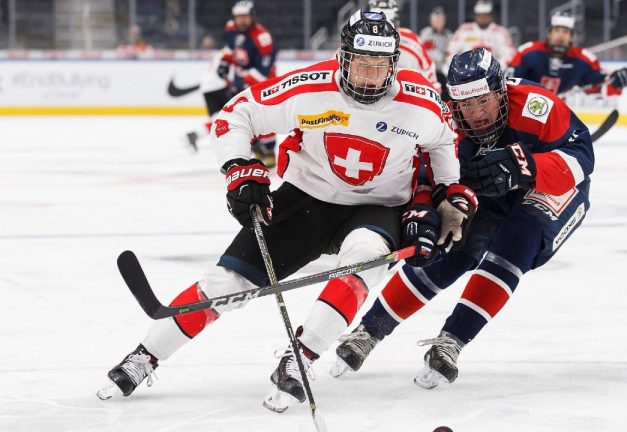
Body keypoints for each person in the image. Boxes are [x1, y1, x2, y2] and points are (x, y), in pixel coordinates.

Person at [97, 10, 477, 412]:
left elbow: (443, 144)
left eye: (380, 66)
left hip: (378, 206)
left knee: (364, 261)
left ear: (394, 64)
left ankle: (301, 358)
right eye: (361, 63)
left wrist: (445, 194)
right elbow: (233, 115)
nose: (369, 75)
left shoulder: (421, 101)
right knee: (228, 283)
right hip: (307, 198)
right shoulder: (309, 87)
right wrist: (238, 170)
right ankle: (144, 356)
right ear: (342, 58)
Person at [331, 48, 594, 389]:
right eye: (466, 105)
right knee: (452, 244)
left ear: (501, 91)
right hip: (489, 190)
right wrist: (430, 209)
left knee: (518, 240)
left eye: (484, 101)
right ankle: (370, 330)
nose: (477, 113)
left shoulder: (535, 106)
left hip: (552, 187)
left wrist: (525, 165)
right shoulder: (444, 122)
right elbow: (425, 174)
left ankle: (451, 341)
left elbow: (582, 157)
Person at [187, 1, 279, 166]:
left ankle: (269, 150)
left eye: (244, 17)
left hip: (264, 84)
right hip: (241, 81)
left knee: (263, 115)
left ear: (252, 17)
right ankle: (257, 148)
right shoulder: (231, 29)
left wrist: (244, 84)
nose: (241, 21)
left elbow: (263, 71)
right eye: (238, 17)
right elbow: (230, 50)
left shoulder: (262, 38)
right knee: (243, 116)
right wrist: (225, 63)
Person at [510, 12, 627, 95]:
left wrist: (616, 83)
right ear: (549, 33)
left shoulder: (584, 60)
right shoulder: (528, 52)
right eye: (557, 30)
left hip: (556, 113)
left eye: (565, 31)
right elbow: (508, 82)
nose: (560, 35)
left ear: (572, 36)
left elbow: (600, 85)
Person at [368, 0, 440, 92]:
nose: (383, 31)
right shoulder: (358, 41)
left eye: (388, 25)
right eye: (377, 25)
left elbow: (432, 84)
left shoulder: (412, 43)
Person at [447, 1, 516, 75]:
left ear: (491, 16)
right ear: (475, 16)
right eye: (480, 15)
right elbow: (451, 52)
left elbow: (509, 55)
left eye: (486, 15)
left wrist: (494, 69)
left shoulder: (500, 32)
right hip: (466, 75)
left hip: (493, 75)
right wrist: (461, 70)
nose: (483, 18)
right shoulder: (464, 30)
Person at [419, 7, 453, 98]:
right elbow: (425, 52)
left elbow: (451, 53)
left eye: (440, 20)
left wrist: (442, 56)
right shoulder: (425, 33)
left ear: (444, 20)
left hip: (443, 72)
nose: (438, 22)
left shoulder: (449, 35)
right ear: (430, 20)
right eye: (435, 19)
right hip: (428, 71)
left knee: (446, 93)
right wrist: (442, 56)